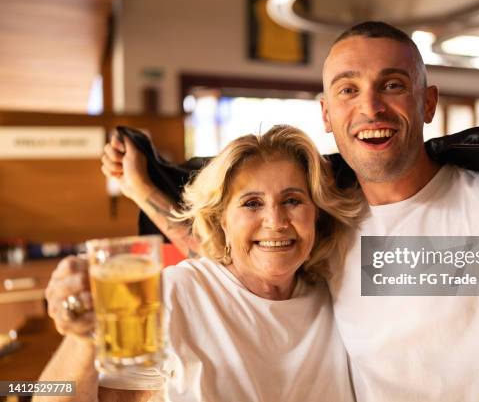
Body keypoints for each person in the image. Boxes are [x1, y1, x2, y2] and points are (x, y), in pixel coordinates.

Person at [100, 22, 479, 401]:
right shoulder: (335, 232)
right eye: (348, 89)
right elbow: (242, 258)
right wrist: (143, 189)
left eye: (392, 84)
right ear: (327, 113)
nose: (370, 107)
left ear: (427, 102)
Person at [39, 125, 362, 401]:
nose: (275, 221)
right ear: (221, 219)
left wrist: (142, 190)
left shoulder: (335, 290)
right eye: (252, 203)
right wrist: (82, 338)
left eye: (292, 200)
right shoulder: (170, 294)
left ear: (316, 213)